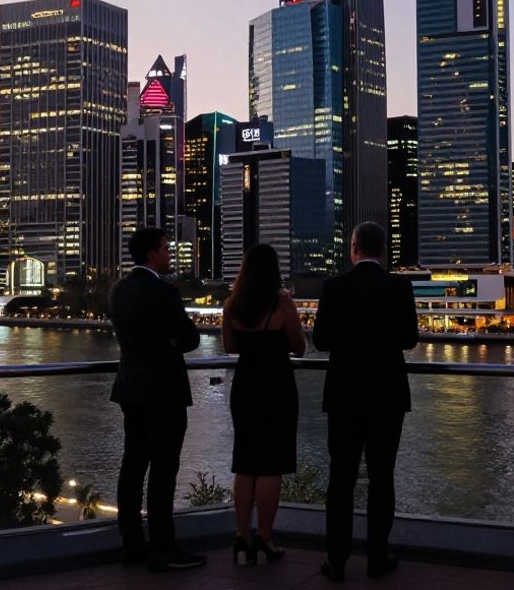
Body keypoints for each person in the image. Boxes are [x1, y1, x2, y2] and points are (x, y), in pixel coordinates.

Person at [312, 222, 419, 581]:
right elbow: (409, 339)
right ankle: (377, 557)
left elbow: (322, 341)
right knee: (381, 478)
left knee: (340, 480)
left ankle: (337, 561)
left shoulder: (333, 288)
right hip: (387, 396)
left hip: (343, 397)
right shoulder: (399, 288)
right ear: (383, 250)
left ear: (353, 248)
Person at [108, 227, 206, 572]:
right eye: (166, 249)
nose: (170, 254)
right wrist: (171, 343)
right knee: (164, 469)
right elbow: (191, 338)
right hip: (164, 390)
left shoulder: (118, 289)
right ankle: (164, 546)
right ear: (152, 253)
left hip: (130, 387)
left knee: (132, 466)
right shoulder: (163, 291)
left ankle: (132, 545)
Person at [221, 244, 306, 565]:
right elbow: (299, 348)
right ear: (274, 271)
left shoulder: (232, 306)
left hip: (244, 387)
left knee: (245, 464)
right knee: (272, 465)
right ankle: (264, 537)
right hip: (277, 386)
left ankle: (241, 535)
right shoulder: (282, 304)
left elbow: (230, 347)